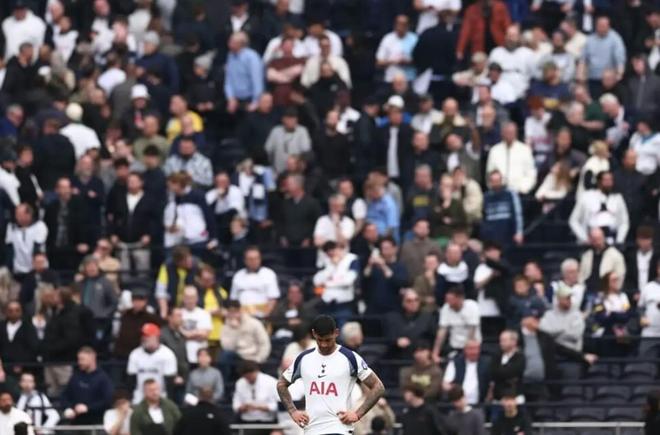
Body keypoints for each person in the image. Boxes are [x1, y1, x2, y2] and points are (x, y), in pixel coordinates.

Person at [277, 315, 385, 434]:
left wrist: (357, 414)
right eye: (320, 340)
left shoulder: (350, 358)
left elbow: (378, 387)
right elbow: (281, 384)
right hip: (311, 430)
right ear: (313, 334)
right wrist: (293, 411)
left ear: (336, 333)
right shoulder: (304, 358)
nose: (324, 344)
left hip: (339, 429)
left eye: (328, 340)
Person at [107, 171, 159, 275]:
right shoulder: (120, 198)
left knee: (142, 271)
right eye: (129, 181)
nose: (131, 184)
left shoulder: (150, 199)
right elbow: (113, 217)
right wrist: (112, 234)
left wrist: (149, 234)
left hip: (141, 242)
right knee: (123, 272)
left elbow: (155, 219)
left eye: (134, 181)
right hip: (122, 242)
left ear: (141, 183)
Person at [569, 170, 629, 245]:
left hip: (611, 239)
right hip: (590, 238)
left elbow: (624, 222)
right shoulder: (586, 196)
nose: (608, 183)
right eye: (606, 180)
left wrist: (619, 241)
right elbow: (573, 221)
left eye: (610, 180)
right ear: (599, 182)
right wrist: (584, 238)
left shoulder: (617, 198)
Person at [127, 323, 178, 404]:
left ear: (156, 337)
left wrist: (167, 402)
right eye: (143, 336)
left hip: (160, 398)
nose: (144, 338)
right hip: (139, 398)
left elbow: (170, 382)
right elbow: (131, 380)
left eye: (147, 336)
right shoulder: (135, 354)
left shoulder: (167, 354)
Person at [61, 346, 113, 425]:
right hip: (76, 421)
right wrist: (68, 408)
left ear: (92, 358)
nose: (79, 362)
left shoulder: (103, 378)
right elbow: (65, 395)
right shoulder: (76, 376)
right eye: (78, 359)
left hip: (95, 422)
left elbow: (107, 400)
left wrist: (88, 408)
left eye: (82, 359)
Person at [313, 242, 360, 327]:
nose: (332, 253)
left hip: (344, 304)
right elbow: (316, 281)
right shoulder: (327, 261)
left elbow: (348, 281)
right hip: (327, 304)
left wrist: (326, 284)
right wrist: (332, 266)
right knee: (327, 332)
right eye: (328, 251)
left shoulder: (351, 259)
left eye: (334, 249)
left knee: (344, 332)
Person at [432, 286, 481, 362]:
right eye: (447, 300)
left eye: (451, 300)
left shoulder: (472, 306)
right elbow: (442, 332)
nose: (448, 302)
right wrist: (435, 353)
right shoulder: (446, 308)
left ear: (460, 298)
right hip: (454, 347)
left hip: (472, 347)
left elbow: (472, 330)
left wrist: (467, 350)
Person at [230, 246, 280, 319]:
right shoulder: (238, 275)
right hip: (241, 316)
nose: (253, 261)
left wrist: (264, 316)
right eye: (250, 259)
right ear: (245, 260)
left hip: (261, 316)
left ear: (260, 259)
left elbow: (273, 299)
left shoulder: (269, 274)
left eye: (256, 258)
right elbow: (233, 299)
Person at [384, 289, 436, 359]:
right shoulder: (392, 317)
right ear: (402, 302)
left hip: (421, 356)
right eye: (409, 301)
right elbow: (389, 337)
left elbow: (433, 338)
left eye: (416, 300)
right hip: (399, 356)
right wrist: (396, 341)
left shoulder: (428, 317)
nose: (413, 303)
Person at [362, 237, 408, 315]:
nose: (384, 251)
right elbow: (364, 279)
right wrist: (369, 265)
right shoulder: (375, 266)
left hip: (392, 309)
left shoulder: (400, 267)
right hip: (373, 309)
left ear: (395, 249)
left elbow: (400, 283)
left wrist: (384, 267)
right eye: (382, 248)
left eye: (387, 248)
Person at [220, 300, 271, 366]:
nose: (233, 315)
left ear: (240, 310)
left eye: (235, 311)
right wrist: (235, 330)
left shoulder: (254, 323)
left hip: (253, 357)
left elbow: (264, 343)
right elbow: (227, 348)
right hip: (238, 356)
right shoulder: (226, 326)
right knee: (224, 355)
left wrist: (258, 359)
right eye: (230, 312)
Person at [578, 227, 626, 296]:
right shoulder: (586, 255)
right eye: (594, 239)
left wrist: (614, 290)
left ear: (603, 237)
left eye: (599, 238)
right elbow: (581, 275)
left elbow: (620, 275)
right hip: (588, 291)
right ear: (590, 240)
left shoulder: (616, 255)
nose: (597, 242)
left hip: (607, 292)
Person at [481, 170, 524, 248]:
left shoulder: (510, 194)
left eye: (498, 180)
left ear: (501, 181)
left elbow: (517, 214)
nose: (496, 183)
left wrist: (518, 232)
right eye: (493, 181)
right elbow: (484, 217)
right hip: (492, 238)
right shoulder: (486, 197)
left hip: (508, 235)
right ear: (490, 182)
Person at [155, 245, 200, 318]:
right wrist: (164, 313)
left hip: (191, 307)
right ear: (178, 262)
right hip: (171, 307)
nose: (189, 260)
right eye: (186, 260)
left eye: (189, 257)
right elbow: (161, 292)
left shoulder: (197, 264)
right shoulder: (167, 267)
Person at [443, 340, 490, 406]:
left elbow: (491, 384)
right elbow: (445, 384)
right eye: (470, 349)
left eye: (476, 349)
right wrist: (456, 393)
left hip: (480, 404)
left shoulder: (487, 364)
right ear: (465, 350)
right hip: (458, 404)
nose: (473, 352)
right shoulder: (455, 363)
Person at [233, 360, 279, 425]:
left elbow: (277, 405)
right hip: (246, 421)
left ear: (256, 371)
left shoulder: (271, 382)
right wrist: (243, 407)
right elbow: (236, 405)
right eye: (246, 377)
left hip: (267, 421)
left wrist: (260, 407)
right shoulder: (240, 383)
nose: (248, 379)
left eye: (250, 376)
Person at [488, 330, 525, 404]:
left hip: (515, 398)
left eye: (504, 341)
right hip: (497, 398)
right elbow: (492, 372)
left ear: (514, 342)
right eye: (501, 341)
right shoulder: (497, 355)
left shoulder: (520, 357)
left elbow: (512, 372)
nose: (501, 343)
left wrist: (500, 371)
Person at [0, 301, 39, 372]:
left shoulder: (28, 327)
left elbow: (33, 347)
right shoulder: (1, 326)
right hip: (3, 366)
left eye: (17, 310)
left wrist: (22, 364)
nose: (14, 313)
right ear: (6, 312)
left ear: (21, 311)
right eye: (10, 310)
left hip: (25, 367)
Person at [180, 286, 212, 363]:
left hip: (200, 357)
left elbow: (205, 335)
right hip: (182, 356)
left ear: (197, 298)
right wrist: (197, 332)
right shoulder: (179, 313)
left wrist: (186, 334)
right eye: (187, 298)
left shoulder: (204, 314)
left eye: (192, 297)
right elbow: (177, 333)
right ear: (183, 298)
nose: (190, 300)